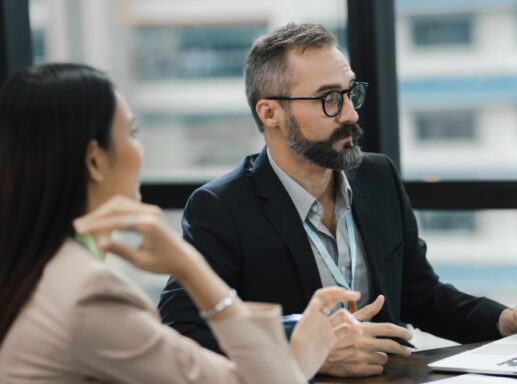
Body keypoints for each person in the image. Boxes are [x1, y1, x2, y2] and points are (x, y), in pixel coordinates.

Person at [158, 23, 517, 377]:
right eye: (328, 99)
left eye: (349, 92)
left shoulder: (377, 176)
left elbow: (420, 294)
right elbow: (182, 334)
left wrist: (504, 320)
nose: (351, 115)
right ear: (270, 114)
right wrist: (309, 354)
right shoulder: (221, 207)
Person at [0, 63, 362, 383]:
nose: (140, 150)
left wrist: (301, 352)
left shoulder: (32, 270)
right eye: (133, 133)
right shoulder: (90, 295)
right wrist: (189, 266)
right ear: (95, 161)